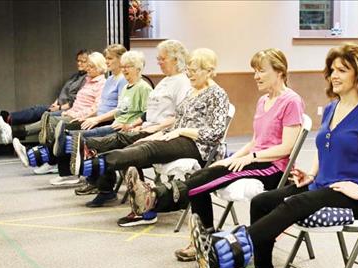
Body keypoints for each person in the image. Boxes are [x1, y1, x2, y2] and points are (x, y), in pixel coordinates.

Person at [189, 44, 358, 268]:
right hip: (321, 186)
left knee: (295, 204)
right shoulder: (331, 109)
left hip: (355, 197)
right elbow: (326, 145)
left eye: (342, 70)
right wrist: (312, 173)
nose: (334, 75)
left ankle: (227, 247)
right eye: (331, 70)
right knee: (263, 201)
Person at [121, 48, 304, 254]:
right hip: (253, 159)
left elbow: (286, 148)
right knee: (202, 176)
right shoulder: (263, 101)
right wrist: (230, 159)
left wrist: (249, 159)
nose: (256, 76)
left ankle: (157, 197)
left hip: (273, 167)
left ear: (279, 71)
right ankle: (204, 236)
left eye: (261, 71)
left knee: (205, 180)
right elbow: (255, 141)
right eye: (254, 71)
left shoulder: (292, 101)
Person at [73, 48, 230, 212]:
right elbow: (177, 122)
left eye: (194, 71)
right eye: (188, 70)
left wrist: (181, 131)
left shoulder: (217, 94)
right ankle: (143, 206)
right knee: (136, 147)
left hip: (199, 146)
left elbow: (215, 134)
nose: (189, 74)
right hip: (177, 137)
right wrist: (155, 134)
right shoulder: (192, 91)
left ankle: (93, 164)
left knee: (149, 149)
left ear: (209, 71)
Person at [68, 39, 191, 196]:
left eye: (162, 58)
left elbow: (179, 116)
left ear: (175, 59)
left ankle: (88, 149)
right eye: (158, 58)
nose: (158, 62)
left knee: (120, 141)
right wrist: (138, 123)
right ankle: (93, 164)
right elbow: (148, 111)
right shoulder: (165, 80)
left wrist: (155, 127)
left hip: (160, 132)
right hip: (145, 127)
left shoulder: (181, 82)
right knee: (120, 145)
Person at [51, 50, 152, 184]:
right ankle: (67, 145)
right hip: (116, 123)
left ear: (138, 68)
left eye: (128, 66)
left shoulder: (143, 88)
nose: (125, 70)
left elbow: (147, 114)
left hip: (125, 129)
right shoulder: (127, 87)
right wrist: (96, 118)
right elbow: (119, 110)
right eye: (123, 67)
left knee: (89, 137)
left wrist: (131, 125)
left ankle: (66, 145)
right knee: (85, 136)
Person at [0, 49, 89, 144]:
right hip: (59, 106)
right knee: (38, 109)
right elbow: (64, 92)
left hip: (69, 109)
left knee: (42, 112)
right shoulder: (75, 76)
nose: (79, 63)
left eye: (82, 61)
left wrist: (59, 108)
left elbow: (76, 101)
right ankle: (7, 119)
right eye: (78, 61)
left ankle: (10, 125)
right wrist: (56, 102)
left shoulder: (86, 79)